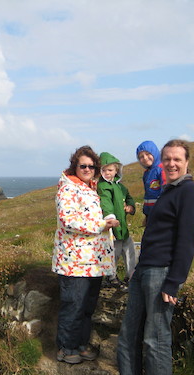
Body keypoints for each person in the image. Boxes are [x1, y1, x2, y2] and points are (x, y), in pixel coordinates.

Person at [116, 139, 194, 375]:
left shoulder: (189, 192)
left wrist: (174, 281)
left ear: (187, 162)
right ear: (161, 161)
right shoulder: (167, 190)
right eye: (167, 159)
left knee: (155, 342)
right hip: (144, 270)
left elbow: (188, 241)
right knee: (127, 338)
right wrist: (137, 267)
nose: (172, 163)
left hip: (162, 273)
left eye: (177, 159)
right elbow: (154, 233)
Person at [52, 145, 120, 364]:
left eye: (92, 166)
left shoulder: (92, 187)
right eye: (83, 165)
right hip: (74, 261)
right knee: (73, 305)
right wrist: (102, 224)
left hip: (94, 261)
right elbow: (68, 220)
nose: (88, 169)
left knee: (87, 307)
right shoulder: (68, 188)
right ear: (75, 166)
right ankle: (65, 348)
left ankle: (80, 344)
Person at [97, 152, 137, 287]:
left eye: (110, 170)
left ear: (116, 170)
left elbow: (129, 196)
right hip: (113, 227)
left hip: (123, 226)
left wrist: (131, 206)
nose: (107, 173)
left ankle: (131, 275)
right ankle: (110, 276)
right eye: (104, 170)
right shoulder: (103, 186)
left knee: (130, 251)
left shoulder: (120, 186)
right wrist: (110, 217)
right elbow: (105, 202)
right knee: (114, 252)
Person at [135, 141, 167, 223]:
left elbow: (165, 191)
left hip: (161, 213)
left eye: (148, 154)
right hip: (150, 214)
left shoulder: (161, 169)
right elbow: (148, 195)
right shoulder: (147, 173)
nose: (145, 158)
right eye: (141, 157)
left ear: (155, 153)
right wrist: (146, 215)